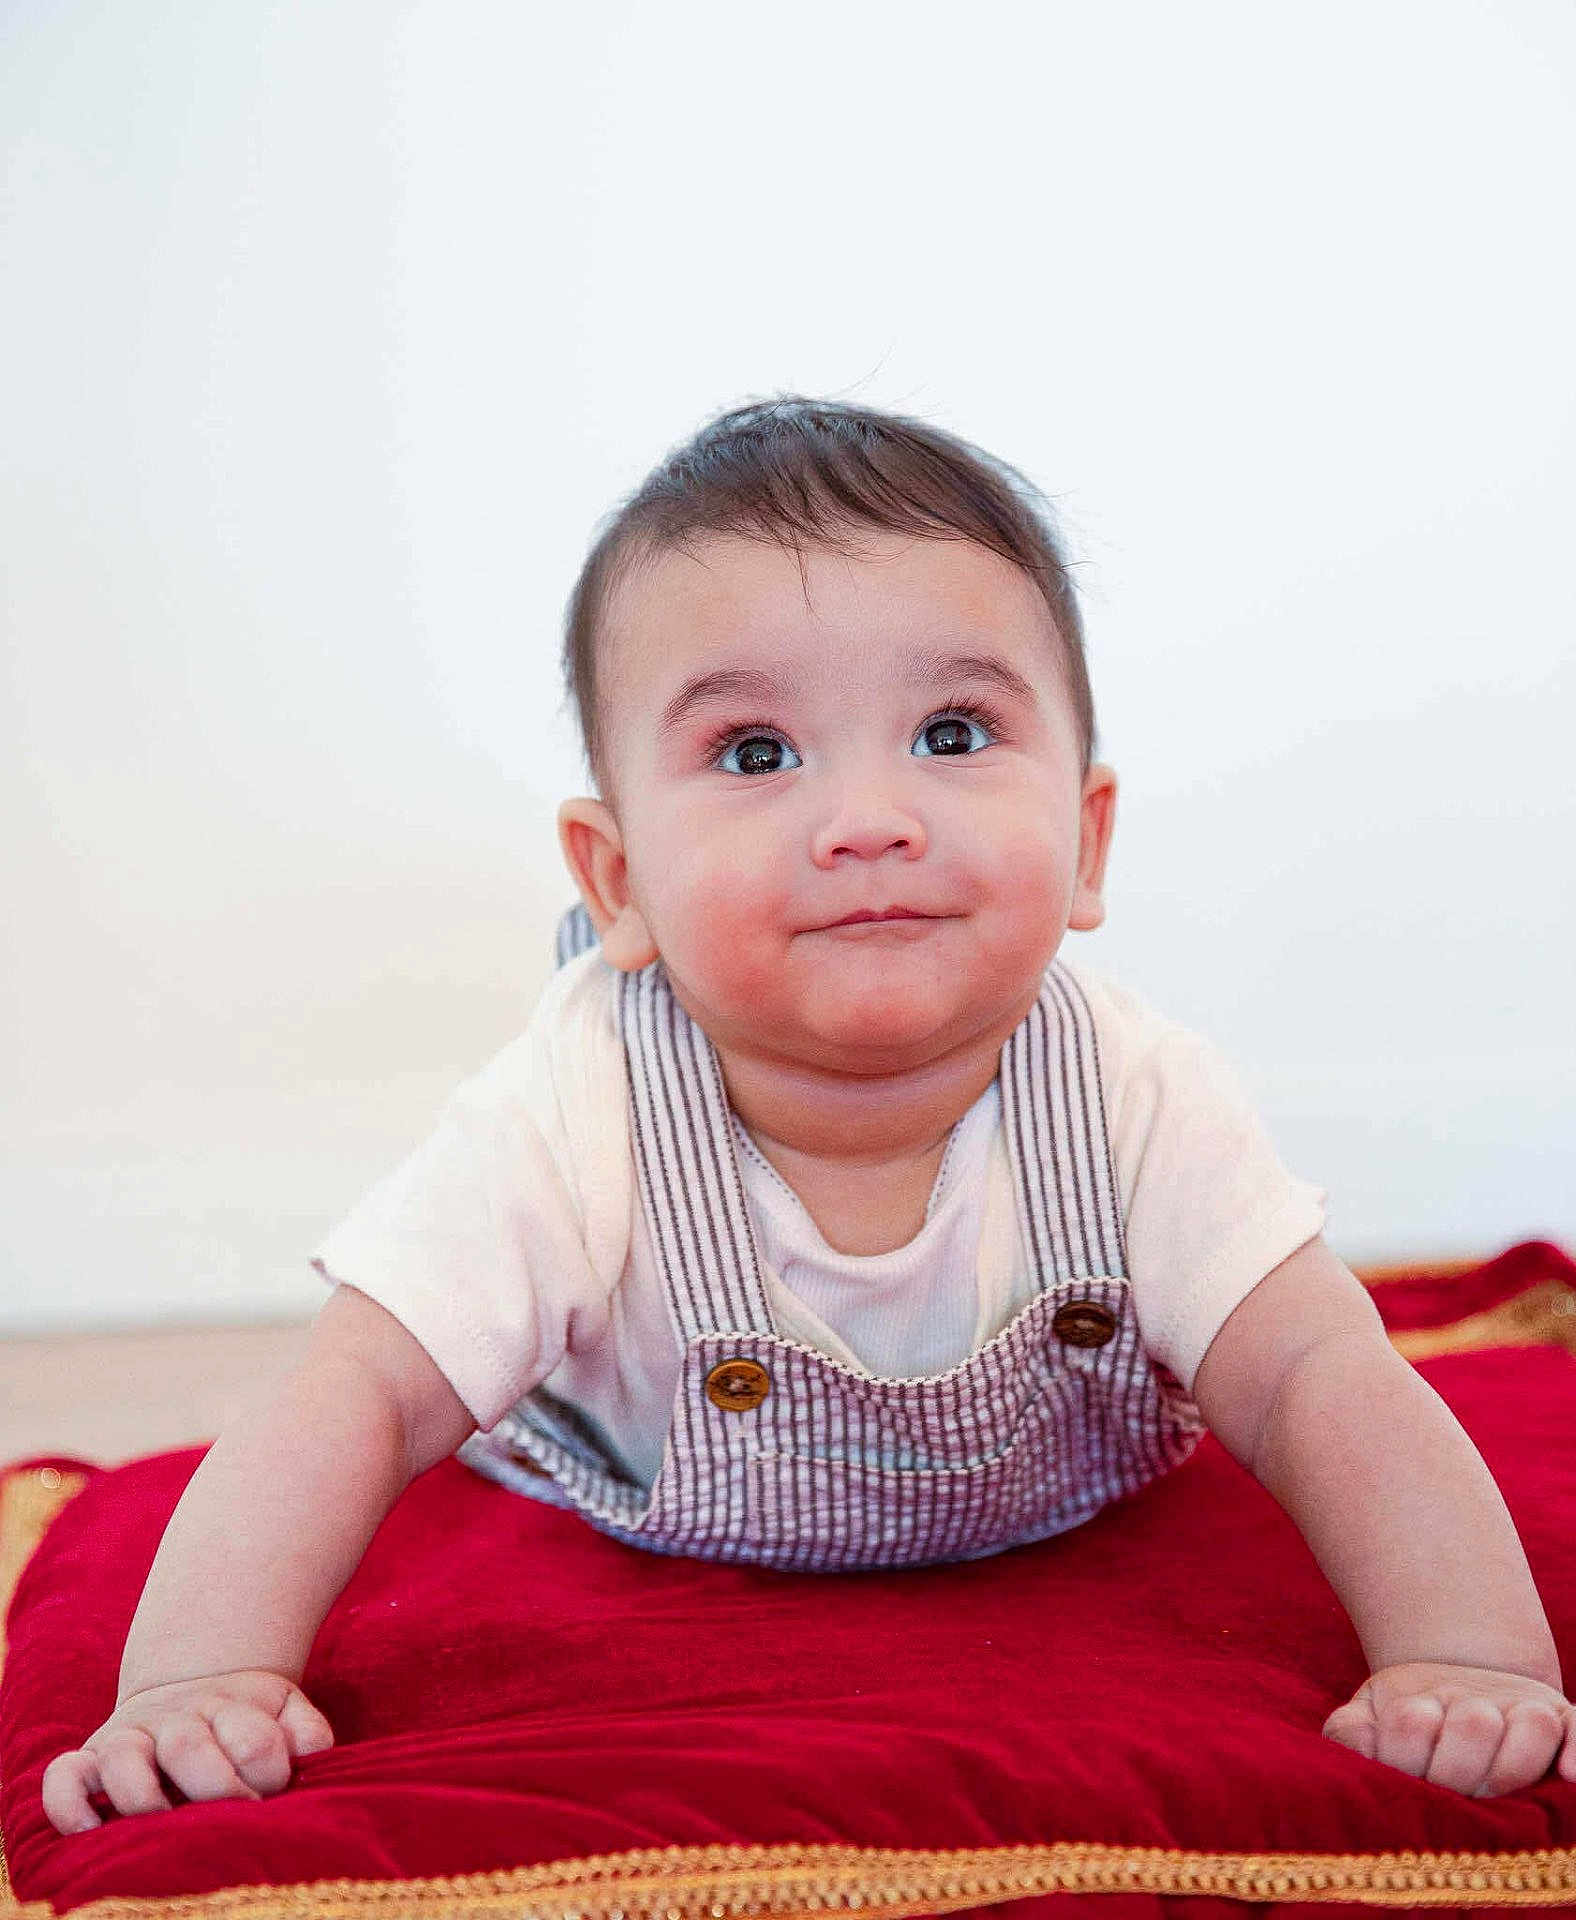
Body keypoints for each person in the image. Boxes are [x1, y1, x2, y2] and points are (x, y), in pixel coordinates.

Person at [41, 396, 1575, 1836]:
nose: (869, 819)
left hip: (1063, 1519)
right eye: (757, 754)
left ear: (1089, 839)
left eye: (956, 734)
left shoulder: (1130, 1092)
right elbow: (353, 1395)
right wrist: (198, 1677)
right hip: (652, 1512)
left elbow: (1318, 1368)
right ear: (619, 880)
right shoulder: (577, 1107)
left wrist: (1468, 1654)